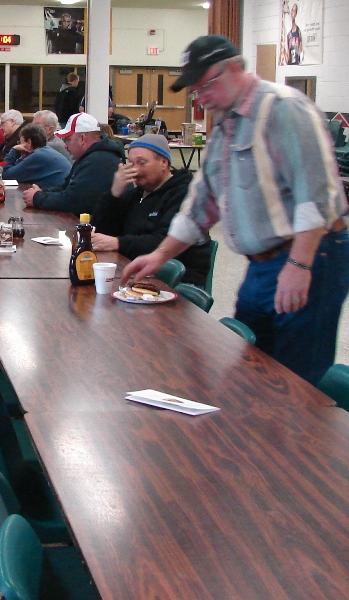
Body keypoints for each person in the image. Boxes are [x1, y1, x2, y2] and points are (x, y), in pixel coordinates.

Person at [121, 35, 348, 386]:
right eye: (196, 90)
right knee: (251, 364)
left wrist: (299, 265)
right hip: (262, 263)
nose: (201, 97)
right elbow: (201, 204)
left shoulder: (283, 109)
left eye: (206, 85)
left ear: (235, 68)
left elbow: (317, 196)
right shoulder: (227, 126)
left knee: (295, 379)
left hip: (312, 254)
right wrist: (160, 255)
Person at [90, 134, 211, 286]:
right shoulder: (137, 194)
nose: (135, 169)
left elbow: (164, 241)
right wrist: (114, 194)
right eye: (131, 163)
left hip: (178, 281)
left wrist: (118, 243)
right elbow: (99, 230)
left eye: (142, 163)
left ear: (163, 162)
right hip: (136, 272)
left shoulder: (184, 194)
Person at [22, 113, 123, 214]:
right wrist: (41, 192)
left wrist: (37, 198)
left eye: (68, 139)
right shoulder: (88, 157)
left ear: (82, 139)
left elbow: (73, 201)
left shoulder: (99, 161)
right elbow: (64, 187)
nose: (65, 145)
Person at [2, 123, 71, 188]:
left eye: (20, 142)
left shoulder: (38, 156)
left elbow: (5, 175)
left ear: (29, 142)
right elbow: (16, 169)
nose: (19, 145)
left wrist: (14, 150)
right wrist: (23, 156)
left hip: (58, 194)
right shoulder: (44, 151)